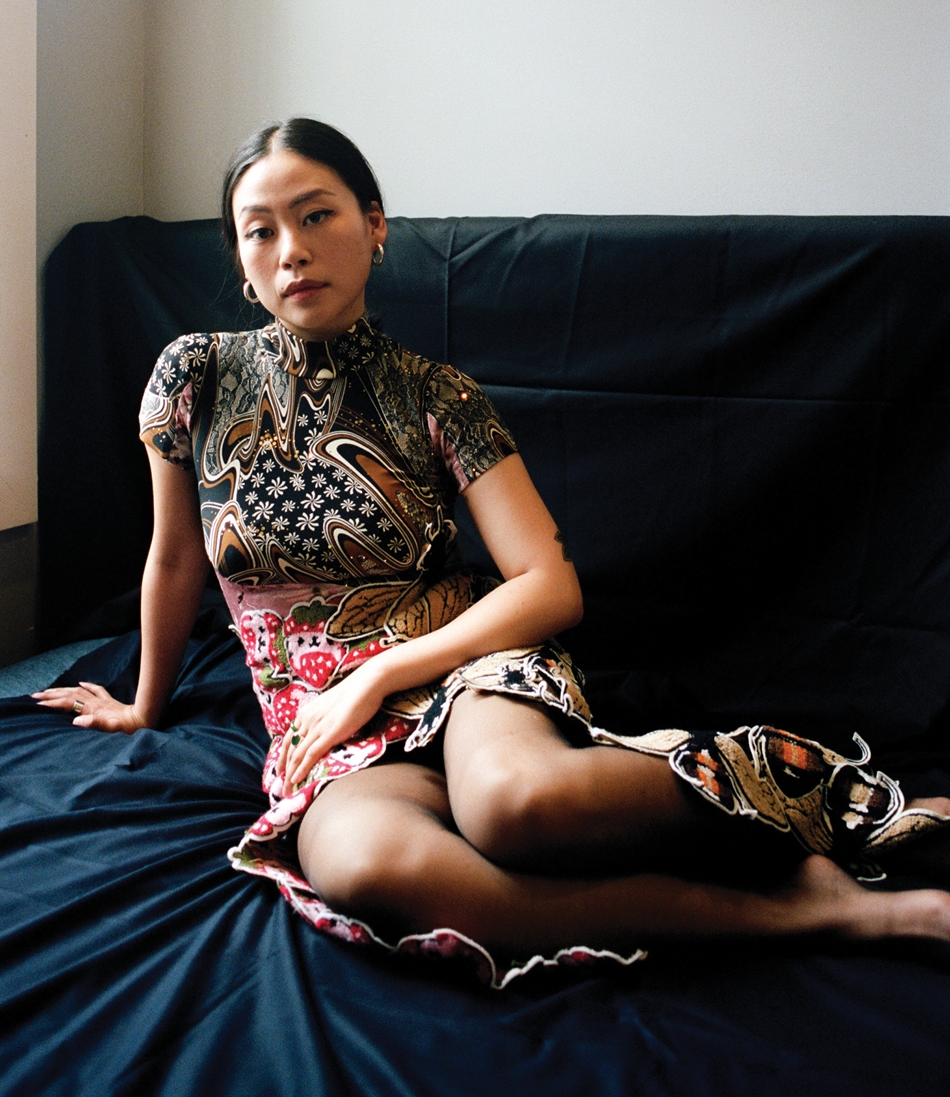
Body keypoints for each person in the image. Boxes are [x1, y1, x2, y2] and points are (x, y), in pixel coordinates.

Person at [34, 118, 950, 986]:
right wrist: (144, 706)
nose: (291, 251)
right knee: (368, 867)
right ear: (240, 260)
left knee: (516, 805)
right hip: (322, 723)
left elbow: (550, 585)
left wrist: (380, 671)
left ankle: (835, 797)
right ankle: (810, 910)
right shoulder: (194, 376)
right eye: (260, 230)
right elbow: (174, 559)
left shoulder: (438, 395)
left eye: (316, 215)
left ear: (374, 225)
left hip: (464, 668)